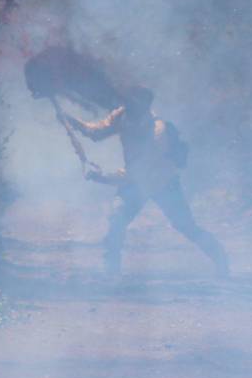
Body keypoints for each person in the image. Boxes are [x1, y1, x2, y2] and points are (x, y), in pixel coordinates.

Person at [61, 86, 230, 278]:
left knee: (186, 226)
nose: (128, 107)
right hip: (136, 182)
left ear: (145, 107)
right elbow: (98, 132)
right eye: (127, 103)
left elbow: (135, 174)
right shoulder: (123, 115)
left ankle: (221, 260)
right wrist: (73, 121)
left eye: (133, 104)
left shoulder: (158, 133)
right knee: (117, 221)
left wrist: (101, 177)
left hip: (163, 183)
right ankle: (112, 275)